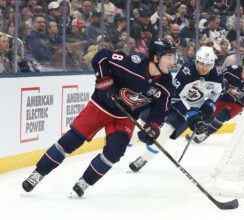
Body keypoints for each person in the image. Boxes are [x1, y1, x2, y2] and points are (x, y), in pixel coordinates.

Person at [21, 39, 177, 197]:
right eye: (169, 57)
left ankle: (85, 181)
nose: (173, 62)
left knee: (115, 152)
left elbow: (160, 111)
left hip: (124, 117)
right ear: (156, 57)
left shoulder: (166, 84)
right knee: (70, 141)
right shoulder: (133, 64)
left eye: (174, 57)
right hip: (100, 106)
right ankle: (38, 173)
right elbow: (102, 57)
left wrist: (152, 128)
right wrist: (105, 82)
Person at [128, 46, 223, 172]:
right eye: (201, 64)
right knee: (144, 123)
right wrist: (189, 114)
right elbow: (175, 97)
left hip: (193, 108)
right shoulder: (187, 71)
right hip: (171, 101)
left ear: (213, 64)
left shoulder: (217, 75)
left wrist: (210, 104)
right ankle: (123, 145)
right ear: (196, 61)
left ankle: (143, 159)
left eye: (208, 64)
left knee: (166, 131)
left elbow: (219, 92)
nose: (204, 68)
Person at [186, 55, 244, 143]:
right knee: (208, 115)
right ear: (242, 65)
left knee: (222, 115)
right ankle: (199, 132)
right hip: (223, 98)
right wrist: (223, 84)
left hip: (237, 104)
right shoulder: (232, 70)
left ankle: (205, 134)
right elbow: (219, 77)